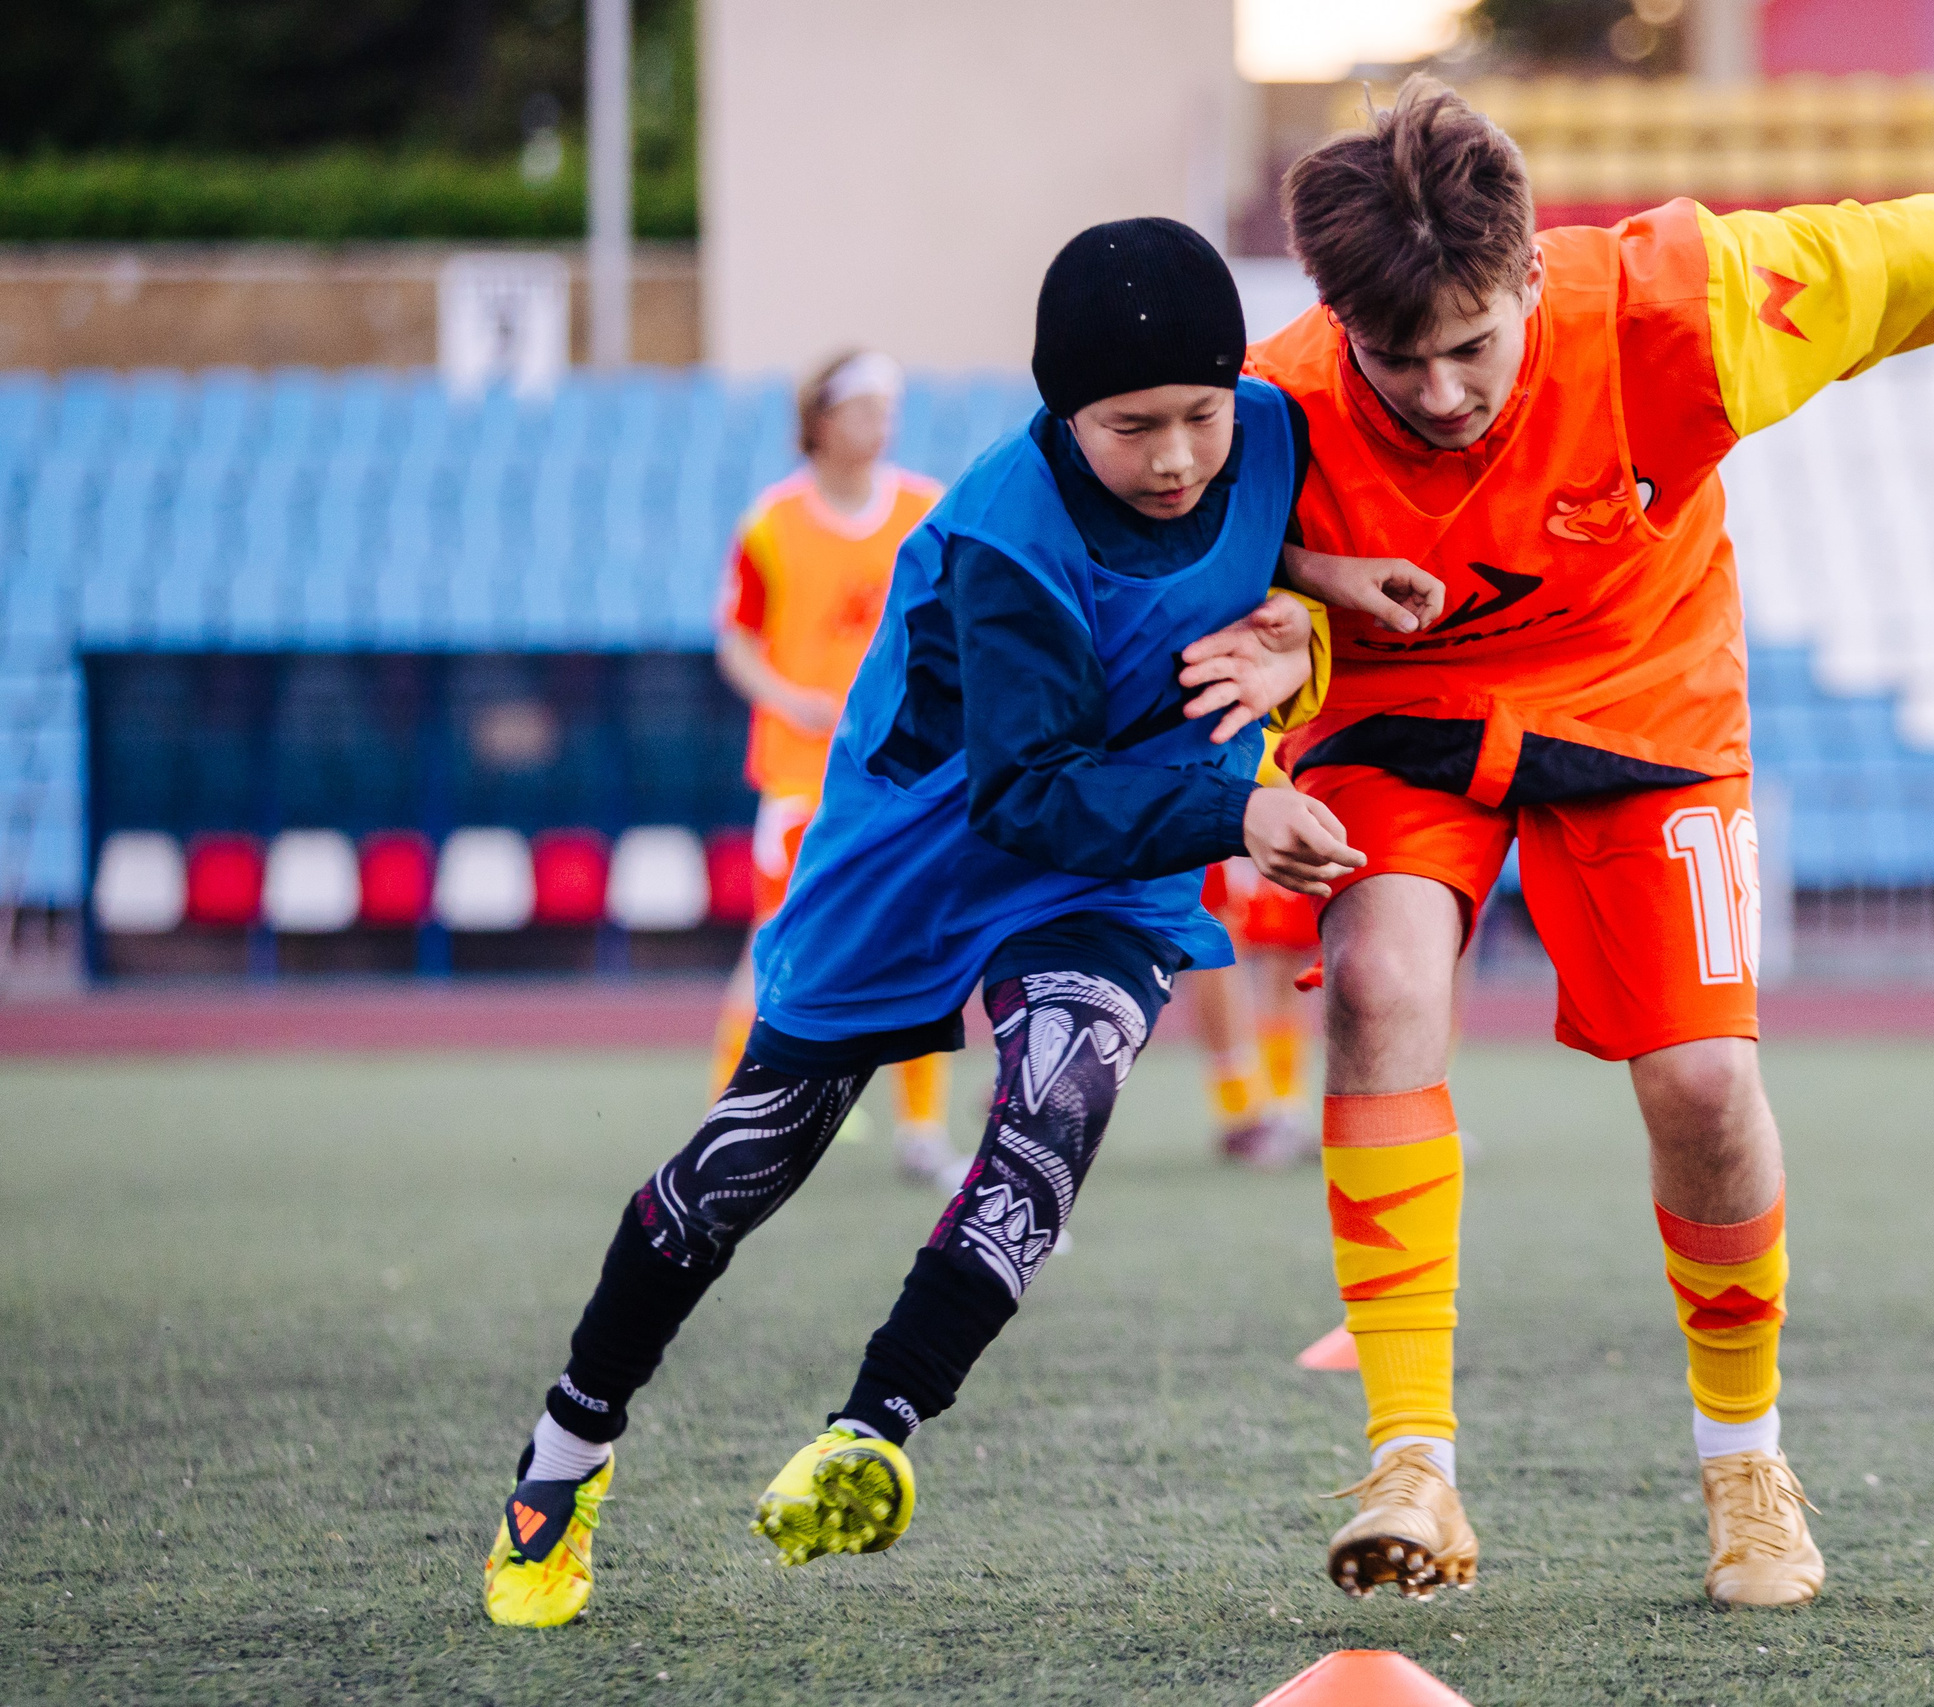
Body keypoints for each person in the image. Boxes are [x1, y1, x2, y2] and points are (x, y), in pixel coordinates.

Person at [1249, 76, 1934, 1606]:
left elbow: (1898, 262)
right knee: (1383, 987)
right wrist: (1269, 698)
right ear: (1333, 318)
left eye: (1470, 347)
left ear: (1531, 273)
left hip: (1645, 705)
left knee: (1708, 1084)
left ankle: (1745, 1462)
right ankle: (1412, 1460)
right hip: (1404, 708)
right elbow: (1162, 559)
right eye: (1398, 358)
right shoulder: (1275, 403)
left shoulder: (1678, 307)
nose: (1441, 392)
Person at [481, 217, 1427, 1628]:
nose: (1176, 457)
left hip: (1118, 859)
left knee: (1060, 1105)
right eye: (1132, 427)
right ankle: (562, 1462)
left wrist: (1326, 596)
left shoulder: (1271, 430)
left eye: (1200, 417)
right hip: (924, 858)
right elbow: (1029, 791)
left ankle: (875, 1424)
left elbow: (1263, 530)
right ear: (1062, 411)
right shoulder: (1004, 534)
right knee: (735, 1173)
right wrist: (1240, 811)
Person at [709, 349, 961, 1185]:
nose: (878, 422)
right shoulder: (771, 525)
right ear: (820, 419)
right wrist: (790, 696)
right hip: (800, 777)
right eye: (860, 406)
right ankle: (731, 1119)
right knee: (778, 944)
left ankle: (921, 1129)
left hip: (906, 774)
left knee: (922, 940)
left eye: (886, 406)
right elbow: (736, 641)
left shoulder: (928, 510)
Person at [1192, 848, 1323, 1166]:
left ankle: (1285, 1108)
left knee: (1286, 940)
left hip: (1283, 800)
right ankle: (1239, 1109)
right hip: (1216, 802)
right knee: (1214, 927)